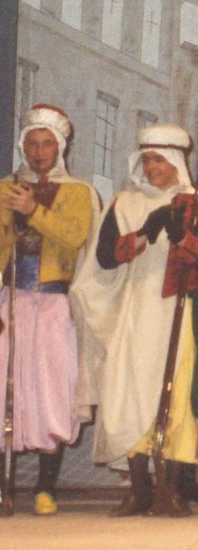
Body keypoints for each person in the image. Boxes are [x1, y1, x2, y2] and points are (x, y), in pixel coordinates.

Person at [73, 123, 198, 517]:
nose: (152, 166)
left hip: (179, 312)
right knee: (130, 394)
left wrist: (182, 236)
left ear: (176, 161)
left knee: (177, 398)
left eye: (159, 159)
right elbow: (105, 257)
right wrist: (145, 232)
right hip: (135, 310)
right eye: (147, 159)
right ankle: (139, 489)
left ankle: (170, 489)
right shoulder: (124, 203)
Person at [0, 105, 98, 516]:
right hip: (11, 300)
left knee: (52, 391)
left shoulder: (78, 192)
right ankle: (4, 486)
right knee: (6, 388)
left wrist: (33, 211)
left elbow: (74, 236)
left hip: (55, 303)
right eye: (32, 144)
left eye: (46, 144)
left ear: (59, 147)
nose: (38, 152)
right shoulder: (5, 188)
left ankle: (45, 487)